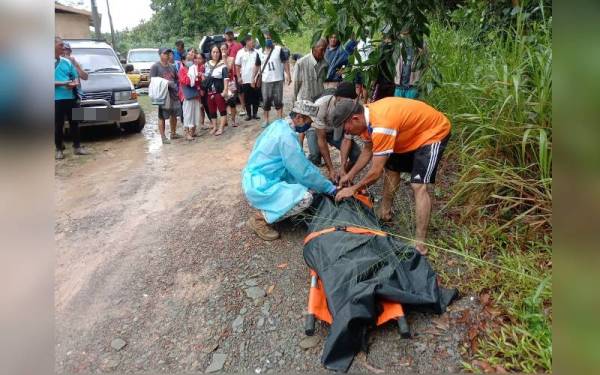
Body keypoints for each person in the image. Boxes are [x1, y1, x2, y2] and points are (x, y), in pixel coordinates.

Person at [331, 97, 452, 255]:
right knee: (392, 170)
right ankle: (385, 213)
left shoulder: (382, 126)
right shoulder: (366, 119)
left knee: (418, 185)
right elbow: (368, 149)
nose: (346, 132)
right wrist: (350, 174)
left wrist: (353, 189)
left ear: (355, 118)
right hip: (406, 134)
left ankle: (420, 244)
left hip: (432, 133)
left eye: (346, 128)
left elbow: (375, 173)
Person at [242, 100, 337, 241]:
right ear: (299, 117)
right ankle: (259, 220)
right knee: (306, 197)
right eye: (309, 122)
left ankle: (277, 207)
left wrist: (319, 180)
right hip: (261, 184)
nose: (309, 126)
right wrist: (330, 188)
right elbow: (302, 170)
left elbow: (300, 164)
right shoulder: (286, 137)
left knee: (309, 185)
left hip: (262, 176)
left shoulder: (279, 125)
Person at [305, 82, 362, 180]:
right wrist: (331, 169)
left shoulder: (351, 109)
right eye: (343, 101)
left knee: (356, 154)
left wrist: (342, 167)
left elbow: (346, 139)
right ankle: (312, 181)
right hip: (316, 129)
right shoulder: (320, 105)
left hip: (334, 130)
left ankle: (341, 178)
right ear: (337, 97)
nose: (346, 104)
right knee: (315, 156)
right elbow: (321, 139)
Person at [54, 36, 89, 160]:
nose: (63, 48)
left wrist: (73, 84)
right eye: (60, 45)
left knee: (75, 123)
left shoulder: (67, 62)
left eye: (64, 46)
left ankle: (77, 147)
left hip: (71, 97)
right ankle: (59, 149)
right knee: (58, 125)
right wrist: (64, 83)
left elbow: (77, 78)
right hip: (55, 99)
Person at [293, 38, 328, 152]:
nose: (323, 53)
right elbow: (296, 84)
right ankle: (299, 149)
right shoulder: (301, 62)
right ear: (314, 48)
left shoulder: (324, 62)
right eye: (321, 50)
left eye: (325, 50)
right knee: (301, 128)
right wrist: (295, 104)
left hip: (318, 100)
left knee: (315, 126)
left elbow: (324, 81)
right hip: (304, 100)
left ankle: (316, 152)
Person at [254, 31, 291, 128]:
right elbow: (257, 65)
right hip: (266, 80)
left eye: (269, 38)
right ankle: (266, 120)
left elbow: (285, 62)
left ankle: (279, 119)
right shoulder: (259, 51)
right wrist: (252, 78)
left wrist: (288, 75)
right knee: (266, 101)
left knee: (278, 100)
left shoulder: (278, 50)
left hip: (278, 79)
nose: (267, 40)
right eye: (266, 38)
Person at [150, 47, 181, 144]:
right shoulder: (155, 66)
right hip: (162, 94)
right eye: (165, 53)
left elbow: (177, 78)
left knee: (174, 114)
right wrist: (166, 83)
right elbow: (152, 81)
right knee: (162, 116)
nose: (167, 55)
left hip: (173, 93)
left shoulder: (172, 66)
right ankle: (163, 137)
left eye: (168, 53)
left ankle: (173, 133)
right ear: (160, 55)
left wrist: (176, 86)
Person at [393, 28, 427, 99]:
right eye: (402, 34)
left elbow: (425, 63)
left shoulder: (420, 45)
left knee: (409, 109)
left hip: (412, 86)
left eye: (406, 34)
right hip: (399, 85)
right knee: (398, 108)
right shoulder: (399, 45)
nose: (403, 36)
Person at [204, 45, 229, 136]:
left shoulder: (223, 64)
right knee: (212, 110)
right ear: (211, 53)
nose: (215, 54)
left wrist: (225, 90)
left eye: (217, 52)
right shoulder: (207, 64)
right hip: (209, 91)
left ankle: (221, 128)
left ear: (220, 53)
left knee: (222, 109)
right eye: (213, 52)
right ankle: (215, 127)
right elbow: (205, 77)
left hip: (219, 90)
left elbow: (226, 78)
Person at [235, 35, 260, 121]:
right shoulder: (240, 52)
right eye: (252, 41)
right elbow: (237, 66)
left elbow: (259, 65)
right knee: (247, 98)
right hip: (245, 79)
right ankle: (249, 114)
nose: (253, 43)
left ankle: (255, 113)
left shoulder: (257, 52)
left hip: (256, 79)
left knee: (256, 97)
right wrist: (238, 77)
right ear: (247, 42)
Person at [178, 49, 201, 140]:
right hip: (186, 95)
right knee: (187, 114)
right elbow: (185, 81)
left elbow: (198, 82)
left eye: (190, 60)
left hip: (195, 94)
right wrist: (193, 76)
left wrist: (197, 77)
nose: (189, 61)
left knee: (195, 113)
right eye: (187, 60)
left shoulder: (193, 68)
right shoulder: (182, 71)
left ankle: (193, 131)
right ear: (183, 61)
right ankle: (187, 133)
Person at [224, 28, 245, 116]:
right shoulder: (223, 46)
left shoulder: (238, 45)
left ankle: (243, 108)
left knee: (240, 91)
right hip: (227, 73)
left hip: (236, 72)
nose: (229, 35)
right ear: (224, 35)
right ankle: (232, 109)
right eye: (227, 34)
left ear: (233, 35)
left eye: (230, 34)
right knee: (230, 91)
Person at [188, 51, 208, 129]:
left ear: (203, 59)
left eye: (200, 58)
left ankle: (210, 121)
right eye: (196, 58)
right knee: (201, 107)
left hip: (204, 88)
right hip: (197, 88)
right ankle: (202, 123)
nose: (198, 60)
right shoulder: (193, 67)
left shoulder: (205, 66)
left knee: (206, 105)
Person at [220, 43, 238, 127]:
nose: (223, 51)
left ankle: (234, 120)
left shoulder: (231, 58)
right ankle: (225, 120)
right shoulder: (218, 60)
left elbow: (228, 69)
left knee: (232, 102)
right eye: (222, 49)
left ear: (227, 50)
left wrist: (224, 59)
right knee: (223, 103)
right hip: (222, 83)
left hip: (231, 82)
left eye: (225, 49)